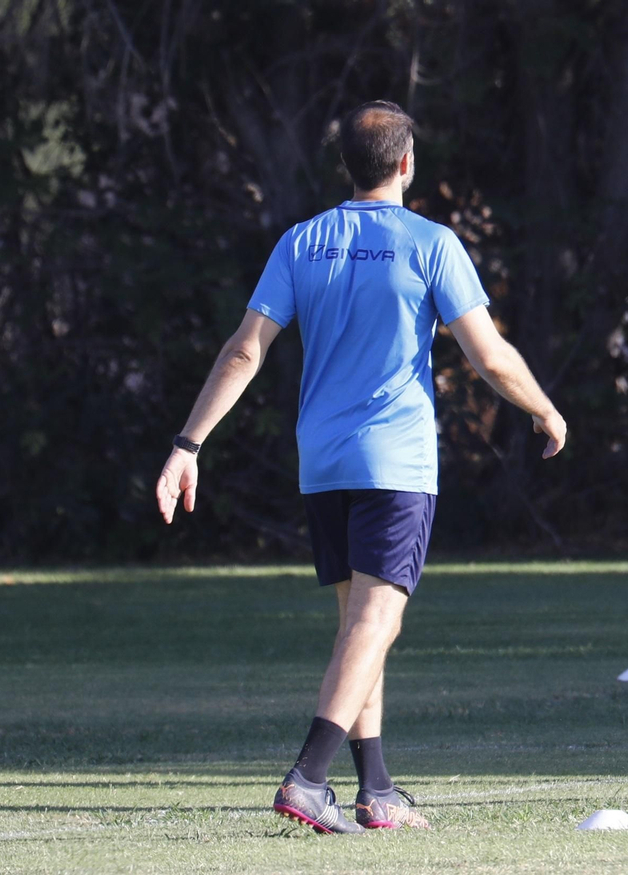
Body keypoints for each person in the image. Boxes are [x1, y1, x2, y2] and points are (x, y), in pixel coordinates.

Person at [154, 100, 566, 833]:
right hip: (395, 461)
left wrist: (187, 445)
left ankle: (376, 790)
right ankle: (310, 777)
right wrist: (544, 409)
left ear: (346, 165)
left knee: (358, 625)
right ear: (407, 163)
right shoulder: (430, 241)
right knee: (377, 621)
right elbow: (490, 355)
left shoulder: (302, 241)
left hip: (323, 463)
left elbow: (246, 349)